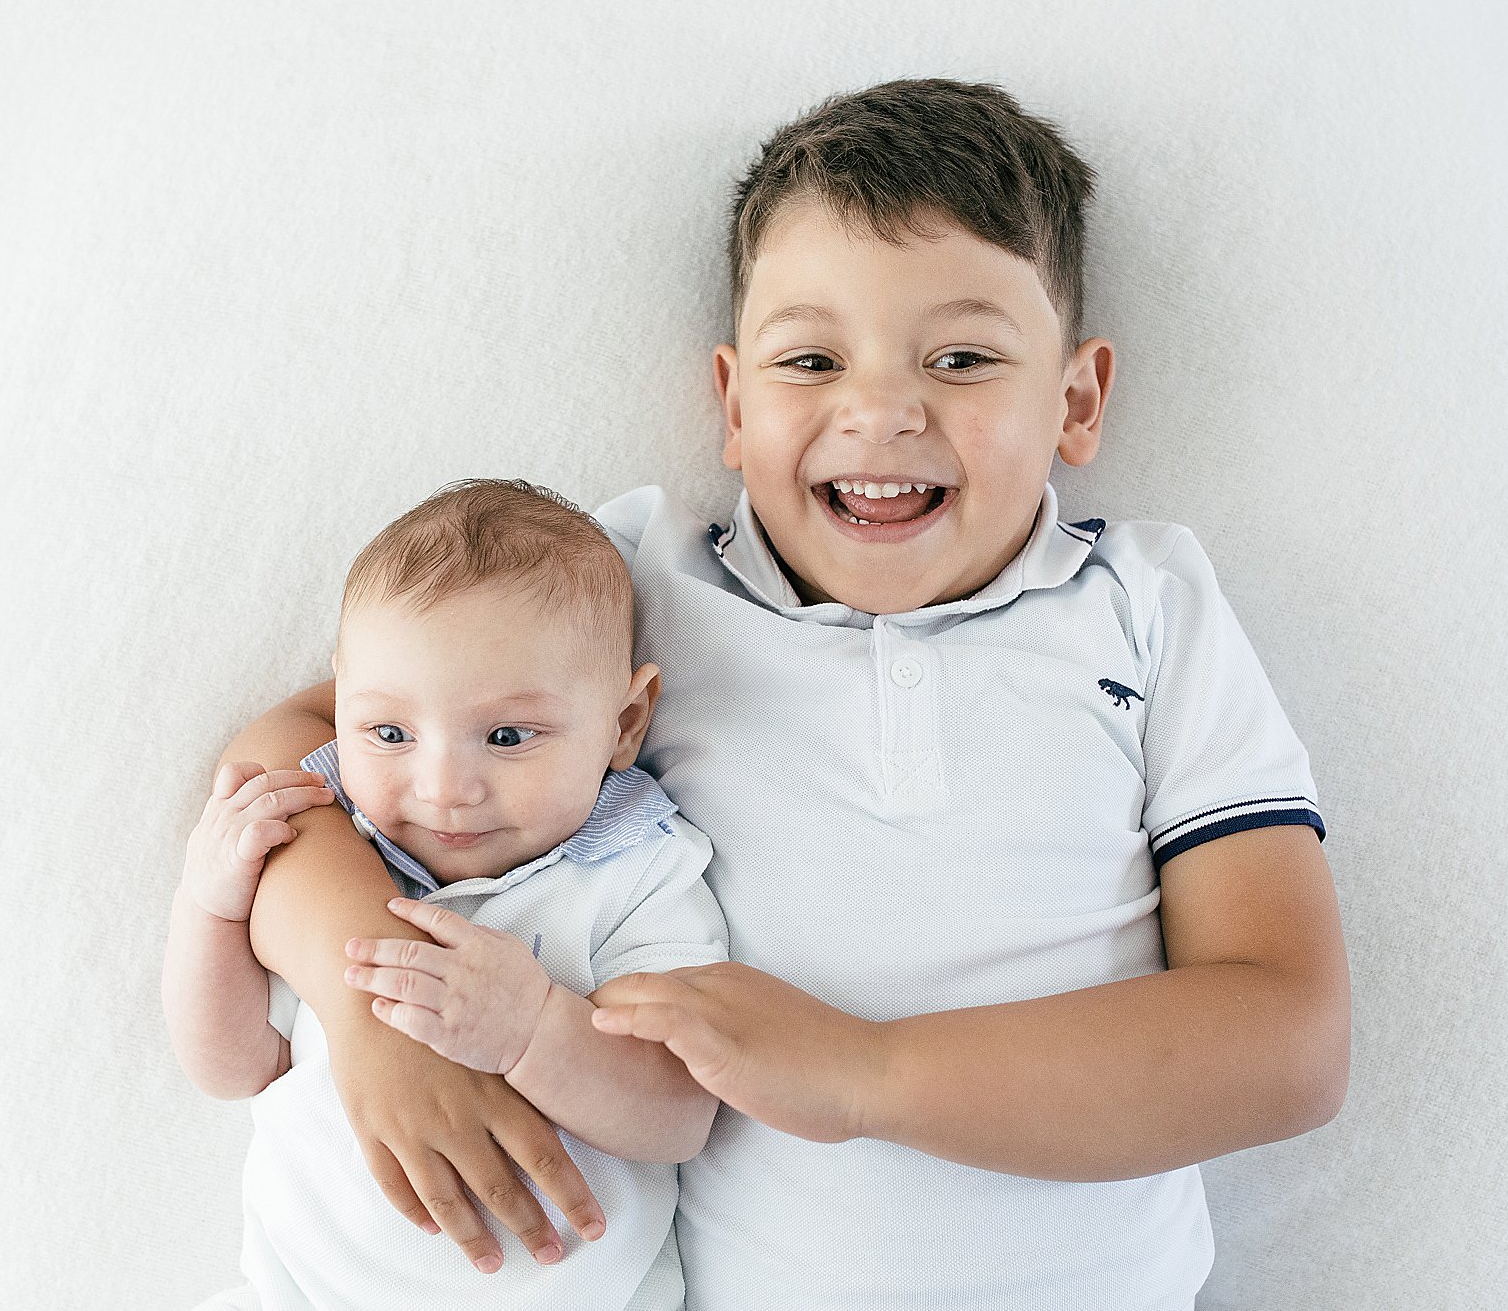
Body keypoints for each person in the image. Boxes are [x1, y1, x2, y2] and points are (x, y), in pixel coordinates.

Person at [202, 78, 1351, 1309]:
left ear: (1074, 398)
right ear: (732, 406)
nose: (880, 410)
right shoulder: (641, 588)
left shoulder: (1143, 604)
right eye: (809, 359)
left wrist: (865, 1072)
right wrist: (363, 999)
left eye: (962, 358)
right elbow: (295, 754)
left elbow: (1286, 1042)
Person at [164, 479, 728, 1310]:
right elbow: (234, 1066)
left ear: (624, 723)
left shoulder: (637, 871)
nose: (442, 788)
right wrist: (209, 908)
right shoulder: (336, 851)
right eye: (389, 733)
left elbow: (681, 1116)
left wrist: (536, 1030)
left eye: (506, 737)